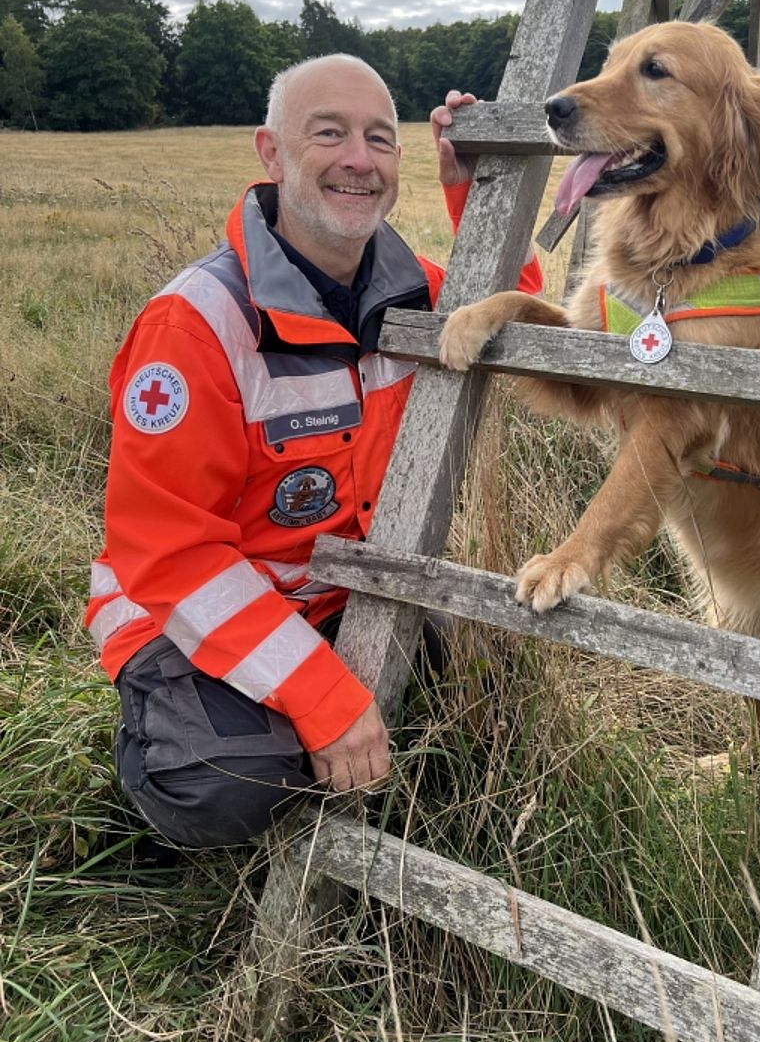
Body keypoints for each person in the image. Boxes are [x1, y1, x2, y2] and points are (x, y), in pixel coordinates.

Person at [85, 54, 542, 848]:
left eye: (379, 139)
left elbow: (521, 322)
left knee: (484, 697)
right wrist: (322, 697)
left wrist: (476, 190)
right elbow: (168, 550)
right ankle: (159, 745)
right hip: (178, 611)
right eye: (328, 133)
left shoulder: (415, 293)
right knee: (223, 786)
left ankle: (288, 710)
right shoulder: (196, 326)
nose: (359, 160)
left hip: (333, 594)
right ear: (271, 153)